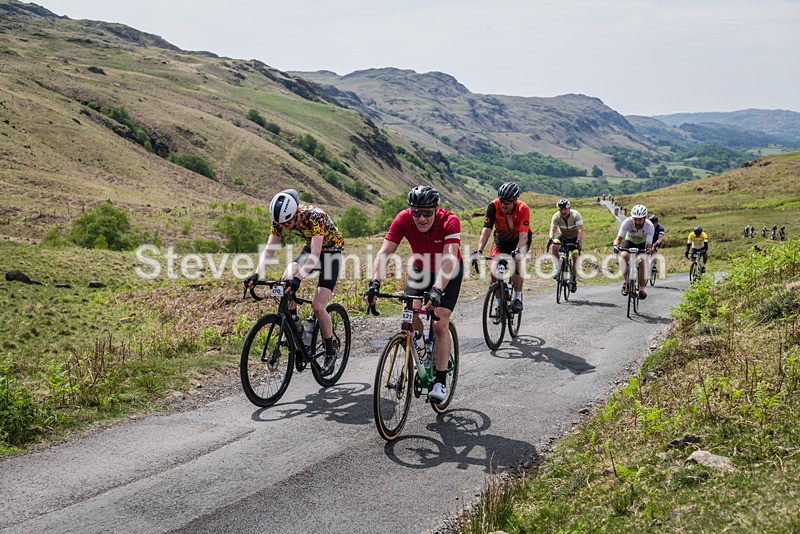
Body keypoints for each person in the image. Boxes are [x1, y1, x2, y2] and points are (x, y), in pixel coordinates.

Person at [365, 185, 462, 403]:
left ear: (436, 210)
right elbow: (385, 252)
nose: (421, 218)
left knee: (439, 324)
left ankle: (439, 381)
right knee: (409, 313)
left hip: (449, 271)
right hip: (422, 269)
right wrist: (374, 283)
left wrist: (437, 290)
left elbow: (448, 260)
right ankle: (421, 349)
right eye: (416, 212)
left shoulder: (450, 221)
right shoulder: (403, 219)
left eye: (427, 212)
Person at [243, 189, 344, 376]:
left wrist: (299, 278)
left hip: (331, 252)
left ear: (297, 213)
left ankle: (330, 351)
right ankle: (295, 325)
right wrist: (257, 274)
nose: (286, 227)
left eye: (289, 222)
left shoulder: (315, 216)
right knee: (285, 278)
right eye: (282, 224)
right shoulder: (280, 221)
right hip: (312, 248)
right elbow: (270, 251)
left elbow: (315, 255)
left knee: (318, 306)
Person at [471, 182, 530, 312]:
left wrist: (518, 251)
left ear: (515, 201)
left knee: (517, 262)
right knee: (494, 271)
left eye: (507, 203)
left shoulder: (523, 209)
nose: (503, 205)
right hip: (501, 240)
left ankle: (518, 298)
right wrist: (479, 250)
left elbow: (524, 236)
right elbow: (486, 230)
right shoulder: (493, 206)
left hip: (519, 240)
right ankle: (499, 305)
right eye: (502, 201)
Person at [612, 204, 654, 299]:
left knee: (642, 261)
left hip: (642, 243)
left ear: (645, 218)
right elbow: (618, 239)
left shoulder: (649, 225)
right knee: (623, 256)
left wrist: (648, 249)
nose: (637, 222)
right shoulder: (627, 222)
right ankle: (626, 280)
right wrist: (616, 246)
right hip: (630, 241)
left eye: (640, 219)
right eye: (635, 219)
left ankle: (642, 288)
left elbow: (648, 244)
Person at [548, 198, 584, 293]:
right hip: (563, 236)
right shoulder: (556, 216)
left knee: (575, 256)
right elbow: (553, 229)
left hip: (574, 238)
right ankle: (557, 268)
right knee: (554, 246)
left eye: (565, 209)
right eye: (561, 209)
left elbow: (580, 230)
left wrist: (579, 241)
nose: (563, 211)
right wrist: (551, 238)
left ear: (569, 208)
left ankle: (573, 279)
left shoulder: (576, 215)